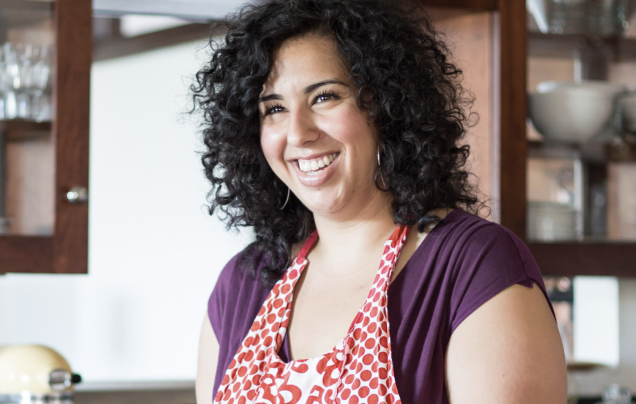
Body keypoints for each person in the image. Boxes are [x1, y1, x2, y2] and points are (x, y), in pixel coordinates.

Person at [192, 0, 567, 403]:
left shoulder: (473, 267)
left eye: (325, 97)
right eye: (275, 109)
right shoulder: (244, 283)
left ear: (387, 106)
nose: (297, 133)